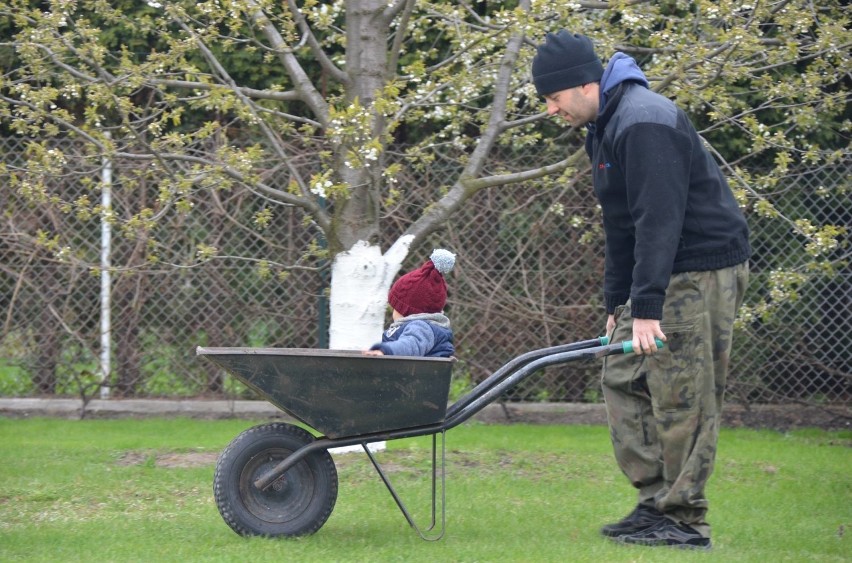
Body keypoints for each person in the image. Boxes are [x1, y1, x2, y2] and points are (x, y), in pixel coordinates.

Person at [531, 31, 750, 549]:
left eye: (553, 98)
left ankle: (684, 519)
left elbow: (660, 221)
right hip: (661, 268)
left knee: (681, 393)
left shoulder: (643, 121)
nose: (549, 109)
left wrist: (647, 307)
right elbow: (621, 224)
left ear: (585, 85)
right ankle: (655, 502)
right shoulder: (604, 127)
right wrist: (618, 305)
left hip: (697, 270)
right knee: (622, 374)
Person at [363, 248, 456, 358]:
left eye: (395, 307)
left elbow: (408, 346)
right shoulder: (419, 327)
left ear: (406, 310)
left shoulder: (420, 327)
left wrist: (386, 350)